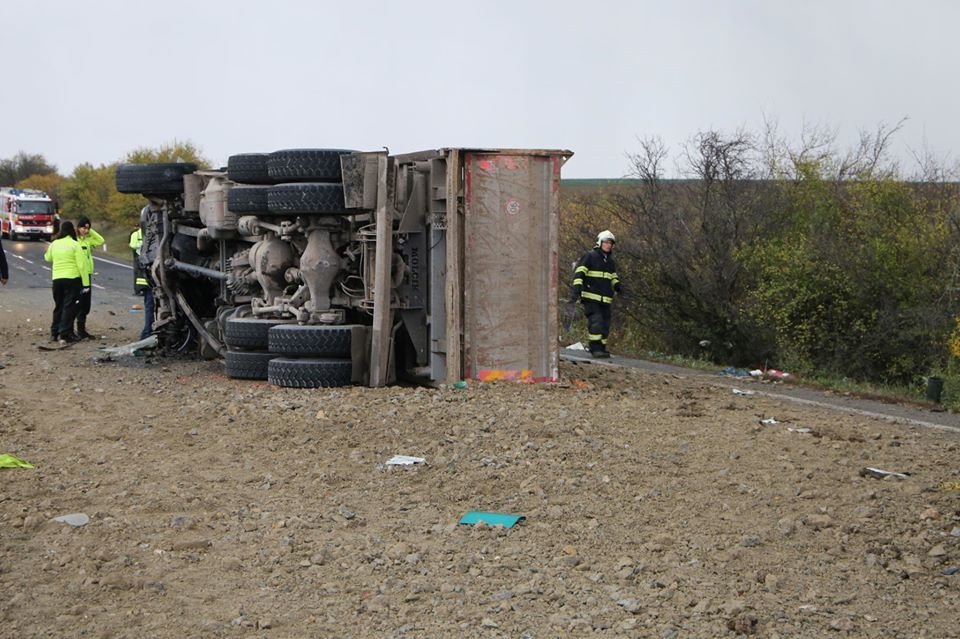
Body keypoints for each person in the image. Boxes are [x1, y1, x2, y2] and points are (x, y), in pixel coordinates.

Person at [571, 230, 623, 358]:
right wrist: (576, 290)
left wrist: (618, 286)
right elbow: (579, 273)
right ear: (600, 242)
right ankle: (595, 348)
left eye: (610, 243)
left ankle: (602, 348)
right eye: (606, 242)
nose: (608, 245)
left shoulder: (610, 261)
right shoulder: (590, 256)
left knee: (605, 324)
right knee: (596, 322)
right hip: (591, 297)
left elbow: (613, 276)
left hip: (605, 299)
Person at [43, 221, 87, 345]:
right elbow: (82, 265)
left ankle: (54, 332)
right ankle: (65, 333)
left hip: (57, 279)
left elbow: (48, 258)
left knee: (58, 306)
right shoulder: (75, 244)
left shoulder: (55, 244)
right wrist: (86, 283)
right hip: (72, 278)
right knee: (69, 306)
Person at [74, 215, 105, 339]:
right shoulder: (74, 241)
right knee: (77, 303)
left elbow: (101, 240)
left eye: (87, 229)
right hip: (77, 276)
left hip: (87, 275)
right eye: (83, 228)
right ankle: (71, 329)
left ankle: (81, 330)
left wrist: (89, 229)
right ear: (78, 228)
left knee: (85, 304)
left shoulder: (87, 240)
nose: (85, 231)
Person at [129, 227, 148, 294]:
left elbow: (132, 245)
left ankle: (141, 289)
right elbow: (132, 245)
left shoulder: (137, 234)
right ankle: (141, 289)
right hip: (141, 255)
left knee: (140, 273)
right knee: (140, 273)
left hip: (142, 255)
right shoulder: (136, 234)